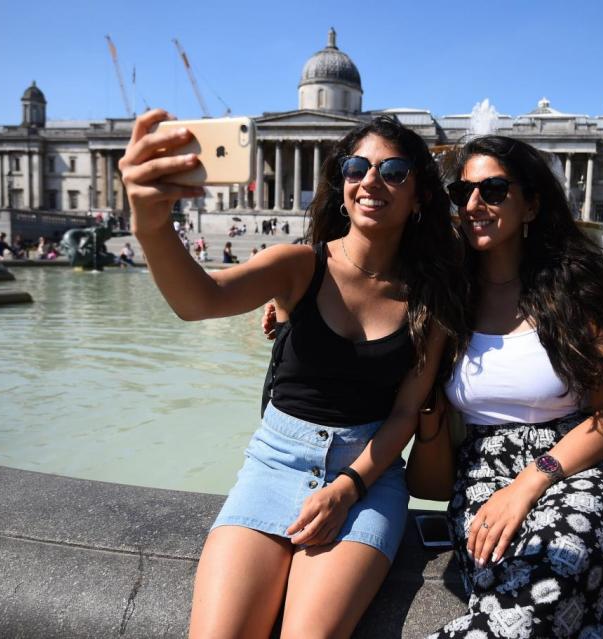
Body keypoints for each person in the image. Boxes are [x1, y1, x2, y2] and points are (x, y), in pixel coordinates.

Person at [119, 109, 464, 638]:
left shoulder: (431, 298)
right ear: (342, 183)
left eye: (393, 171)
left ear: (419, 195)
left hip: (367, 478)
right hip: (275, 464)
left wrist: (346, 489)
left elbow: (403, 414)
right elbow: (199, 302)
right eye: (356, 168)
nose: (371, 181)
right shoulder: (297, 266)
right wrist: (151, 223)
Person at [408, 136, 603, 637]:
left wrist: (531, 481)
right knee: (512, 582)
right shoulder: (448, 295)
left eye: (493, 190)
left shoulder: (577, 284)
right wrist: (294, 303)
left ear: (532, 204)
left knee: (563, 560)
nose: (474, 204)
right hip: (480, 473)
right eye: (463, 192)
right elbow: (365, 282)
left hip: (581, 465)